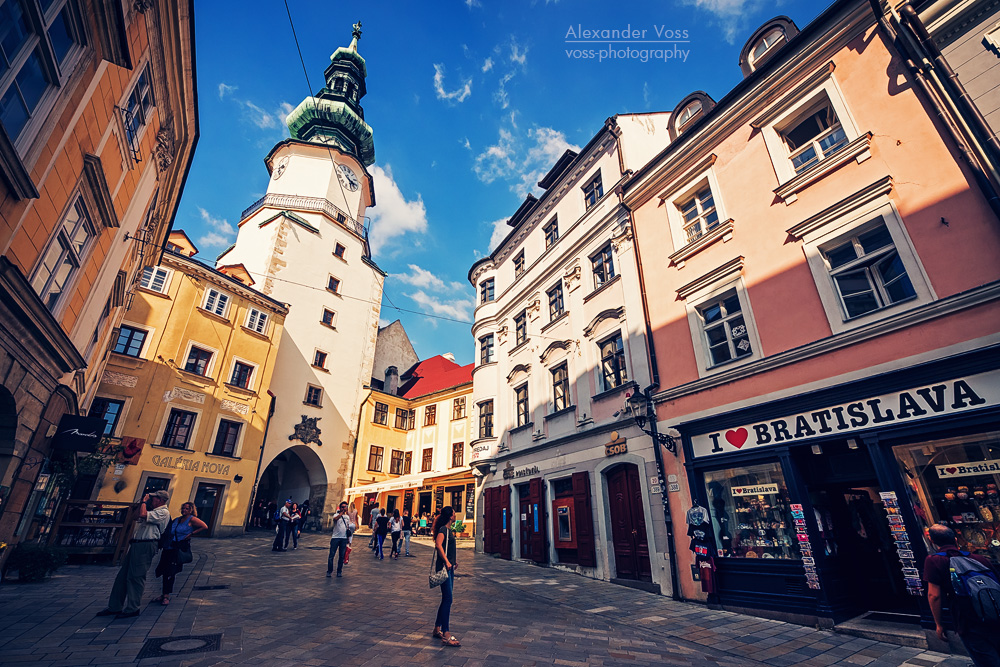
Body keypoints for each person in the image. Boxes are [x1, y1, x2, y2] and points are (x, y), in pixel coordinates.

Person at [924, 523, 1000, 665]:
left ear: (932, 541)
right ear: (956, 539)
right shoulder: (979, 559)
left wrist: (939, 624)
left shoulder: (934, 561)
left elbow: (934, 596)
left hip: (969, 620)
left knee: (986, 660)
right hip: (995, 615)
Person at [96, 490, 171, 619]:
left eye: (153, 498)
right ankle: (114, 607)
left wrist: (143, 502)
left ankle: (133, 608)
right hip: (136, 544)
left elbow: (142, 515)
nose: (151, 500)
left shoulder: (163, 512)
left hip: (147, 544)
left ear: (161, 500)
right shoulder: (152, 510)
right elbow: (135, 516)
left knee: (136, 576)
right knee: (122, 577)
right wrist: (142, 504)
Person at [154, 502, 207, 605]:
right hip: (168, 547)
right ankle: (164, 593)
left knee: (170, 571)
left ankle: (166, 596)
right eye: (183, 508)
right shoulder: (176, 519)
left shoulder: (192, 519)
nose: (184, 510)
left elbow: (204, 526)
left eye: (187, 509)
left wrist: (191, 534)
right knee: (164, 570)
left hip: (177, 549)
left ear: (191, 510)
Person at [432, 506, 460, 646]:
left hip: (449, 567)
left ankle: (437, 629)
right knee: (448, 599)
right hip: (444, 568)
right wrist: (448, 561)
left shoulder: (448, 530)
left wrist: (453, 561)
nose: (455, 515)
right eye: (454, 513)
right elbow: (438, 544)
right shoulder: (444, 529)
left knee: (446, 599)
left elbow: (447, 548)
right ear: (450, 516)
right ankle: (446, 634)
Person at [327, 501, 355, 578]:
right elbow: (335, 519)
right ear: (340, 507)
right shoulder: (336, 515)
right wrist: (341, 514)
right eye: (342, 507)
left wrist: (348, 539)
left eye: (345, 507)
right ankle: (329, 571)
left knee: (341, 556)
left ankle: (339, 571)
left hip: (343, 538)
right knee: (331, 555)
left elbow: (347, 527)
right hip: (335, 538)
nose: (343, 508)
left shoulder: (347, 517)